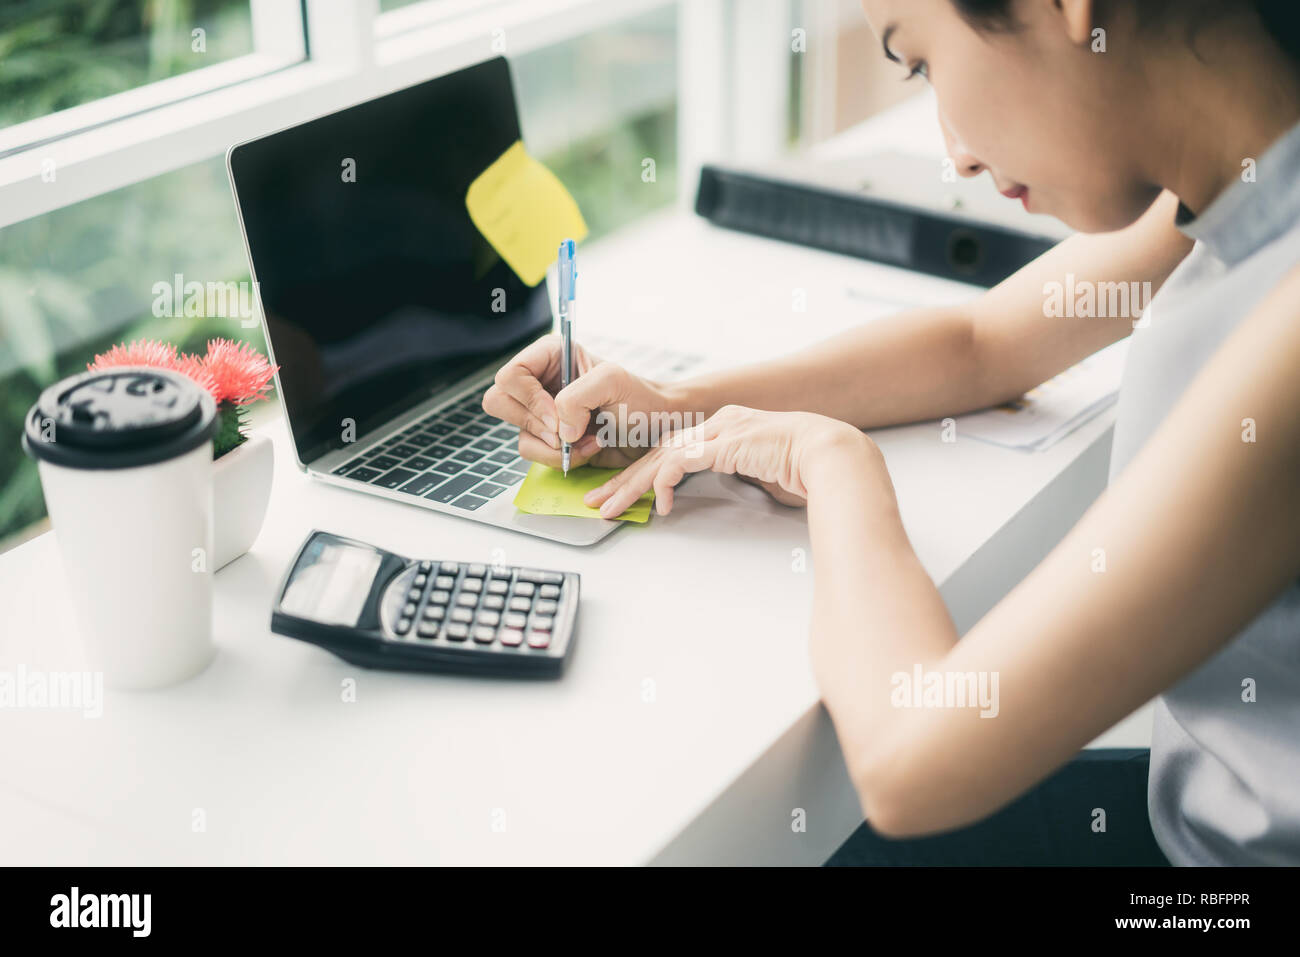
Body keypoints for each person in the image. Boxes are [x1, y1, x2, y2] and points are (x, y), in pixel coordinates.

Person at [483, 0, 1300, 866]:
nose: (955, 152)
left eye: (921, 63)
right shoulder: (1233, 176)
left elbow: (911, 758)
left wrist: (833, 463)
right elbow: (981, 347)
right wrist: (672, 410)